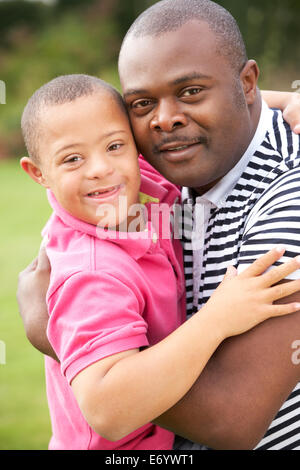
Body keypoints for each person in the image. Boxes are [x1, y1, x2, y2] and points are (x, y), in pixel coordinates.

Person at [17, 0, 300, 450]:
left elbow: (232, 419)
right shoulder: (169, 160)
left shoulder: (287, 203)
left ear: (247, 81)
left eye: (190, 91)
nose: (164, 119)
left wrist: (53, 332)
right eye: (144, 103)